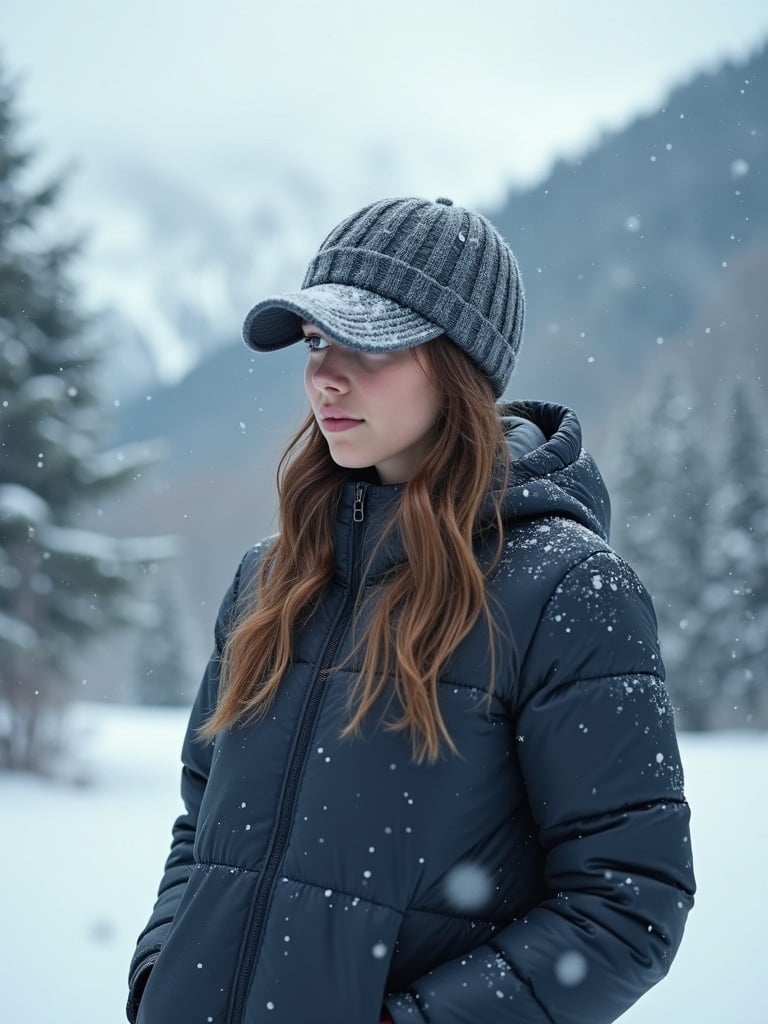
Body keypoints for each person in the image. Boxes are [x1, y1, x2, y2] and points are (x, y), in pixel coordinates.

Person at [126, 196, 696, 1024]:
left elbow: (628, 908)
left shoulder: (567, 590)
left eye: (365, 343)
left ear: (459, 364)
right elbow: (201, 825)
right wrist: (160, 977)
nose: (324, 372)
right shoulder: (268, 579)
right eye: (317, 341)